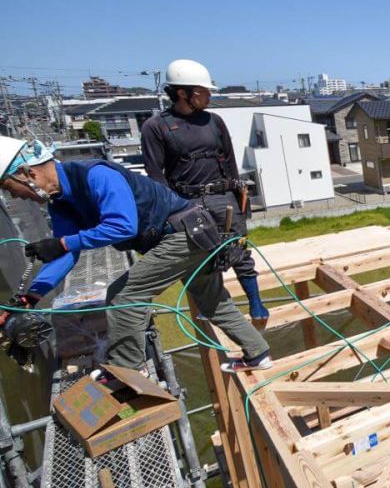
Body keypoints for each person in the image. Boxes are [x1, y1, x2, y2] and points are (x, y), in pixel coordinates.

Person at [0, 137, 272, 372]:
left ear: (27, 173)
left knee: (124, 297)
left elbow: (121, 225)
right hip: (192, 233)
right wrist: (31, 295)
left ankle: (127, 372)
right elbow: (66, 251)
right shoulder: (61, 203)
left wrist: (63, 244)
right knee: (213, 302)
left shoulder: (94, 175)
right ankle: (258, 353)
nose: (19, 198)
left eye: (12, 190)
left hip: (181, 234)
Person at [141, 59, 269, 325]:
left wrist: (239, 195)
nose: (209, 96)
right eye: (204, 91)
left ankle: (256, 304)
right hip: (187, 202)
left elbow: (230, 161)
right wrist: (170, 211)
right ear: (182, 93)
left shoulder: (214, 122)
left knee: (238, 250)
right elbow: (156, 176)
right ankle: (211, 307)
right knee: (202, 257)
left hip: (223, 197)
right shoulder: (156, 127)